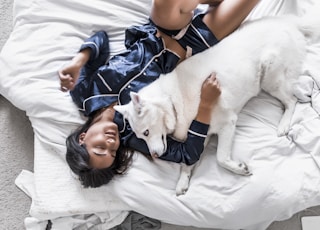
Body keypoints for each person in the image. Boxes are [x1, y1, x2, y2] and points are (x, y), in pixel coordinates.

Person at [59, 0, 260, 188]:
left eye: (100, 148)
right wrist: (205, 105)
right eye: (112, 152)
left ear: (82, 138)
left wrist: (78, 61)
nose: (111, 143)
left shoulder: (83, 94)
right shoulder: (136, 134)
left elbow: (100, 40)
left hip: (162, 29)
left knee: (164, 2)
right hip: (195, 47)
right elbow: (187, 154)